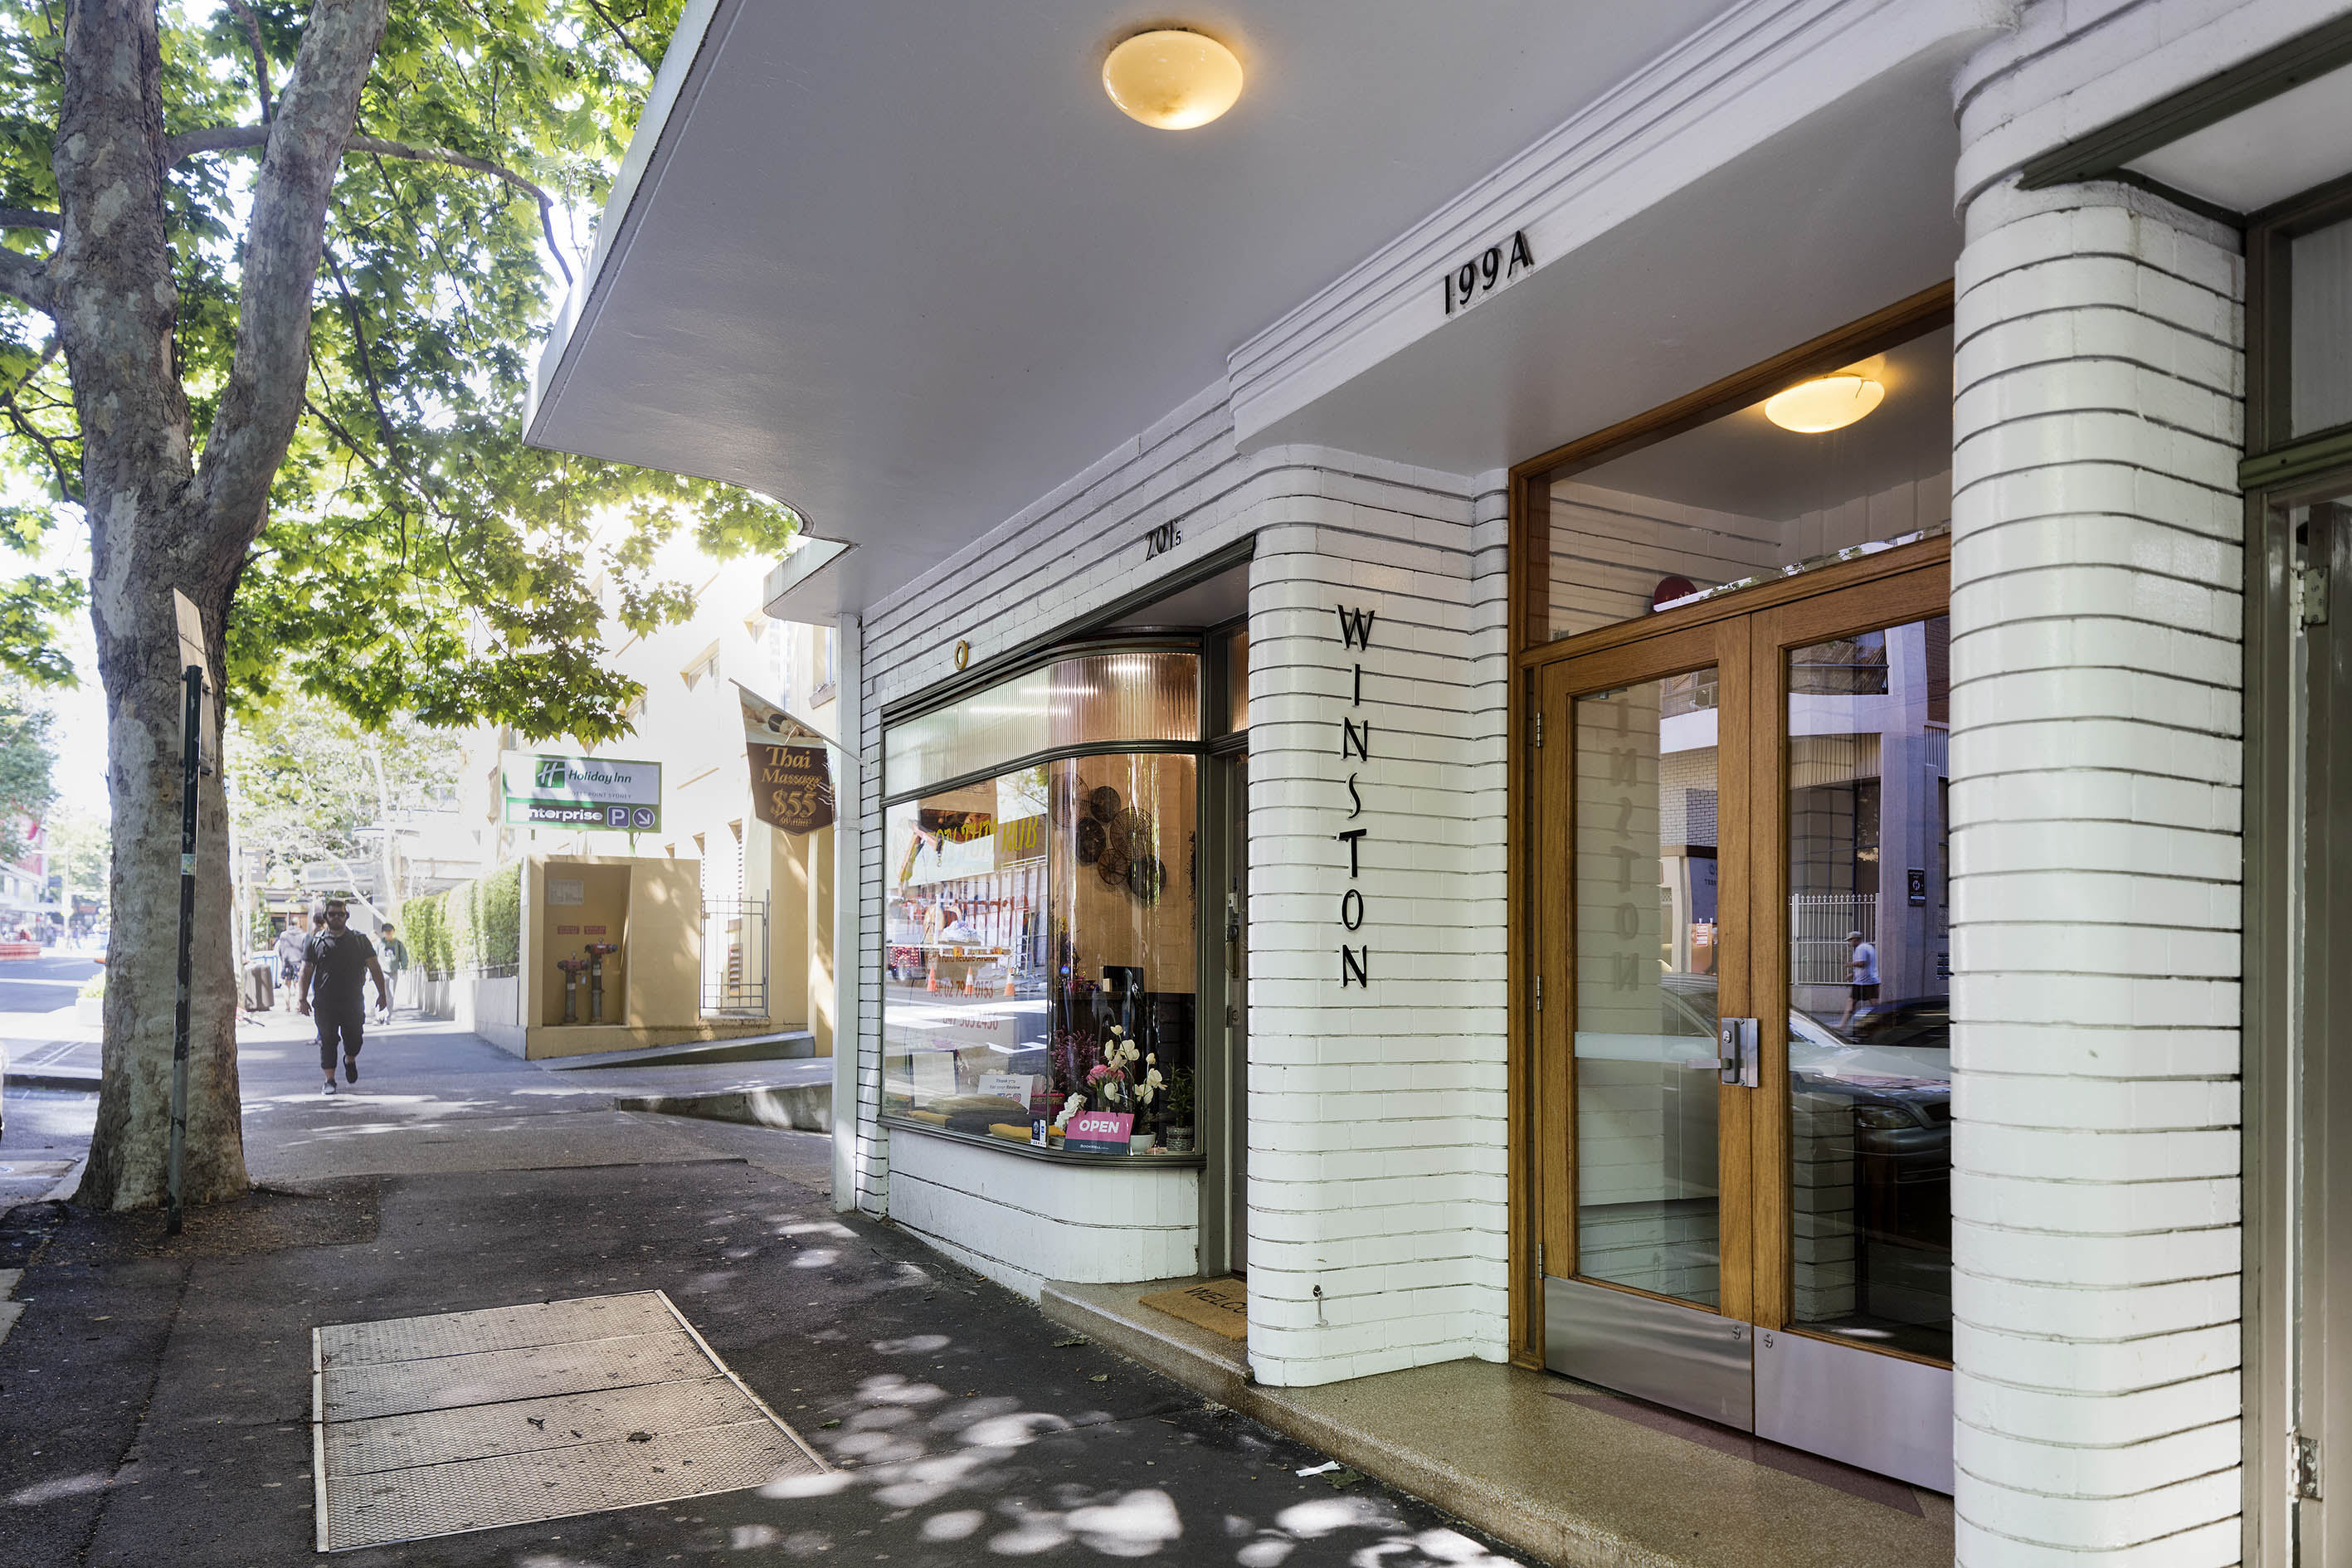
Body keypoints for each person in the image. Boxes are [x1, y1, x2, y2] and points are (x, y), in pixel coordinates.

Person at [295, 898, 388, 1096]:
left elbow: (374, 967)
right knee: (328, 1040)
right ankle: (329, 1080)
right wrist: (302, 999)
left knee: (354, 1039)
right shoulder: (315, 941)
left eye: (341, 914)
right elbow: (306, 970)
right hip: (325, 1003)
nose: (336, 917)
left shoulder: (359, 940)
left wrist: (382, 994)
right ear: (326, 917)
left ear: (347, 916)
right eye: (332, 914)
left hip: (353, 1002)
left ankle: (350, 1059)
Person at [1838, 928, 1880, 1032]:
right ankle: (1883, 1024)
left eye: (1850, 940)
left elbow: (1862, 963)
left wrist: (1849, 964)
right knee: (1874, 1004)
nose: (1849, 943)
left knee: (1851, 1002)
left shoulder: (1860, 948)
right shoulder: (1869, 947)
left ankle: (1842, 1025)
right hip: (1871, 980)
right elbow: (1867, 965)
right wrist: (1853, 974)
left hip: (1862, 982)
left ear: (1855, 939)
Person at [273, 915, 309, 1012]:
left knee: (286, 984)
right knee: (298, 985)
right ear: (299, 924)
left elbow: (280, 949)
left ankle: (287, 1006)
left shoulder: (283, 935)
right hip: (298, 962)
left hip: (287, 962)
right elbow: (305, 950)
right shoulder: (303, 936)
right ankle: (297, 1005)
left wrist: (283, 959)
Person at [376, 921, 408, 1024]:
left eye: (390, 931)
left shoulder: (398, 943)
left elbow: (403, 955)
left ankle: (388, 1017)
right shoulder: (379, 944)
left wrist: (404, 967)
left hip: (393, 971)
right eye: (386, 932)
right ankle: (379, 1015)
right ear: (383, 933)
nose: (388, 933)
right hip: (382, 971)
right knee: (381, 993)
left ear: (393, 932)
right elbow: (373, 957)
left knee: (391, 995)